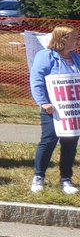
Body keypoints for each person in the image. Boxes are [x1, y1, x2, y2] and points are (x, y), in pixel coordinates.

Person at [29, 25, 80, 195]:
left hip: (71, 110)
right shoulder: (45, 57)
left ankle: (66, 179)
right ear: (63, 39)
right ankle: (39, 176)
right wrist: (43, 103)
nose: (77, 40)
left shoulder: (76, 58)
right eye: (74, 37)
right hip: (53, 109)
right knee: (49, 140)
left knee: (70, 143)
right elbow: (36, 80)